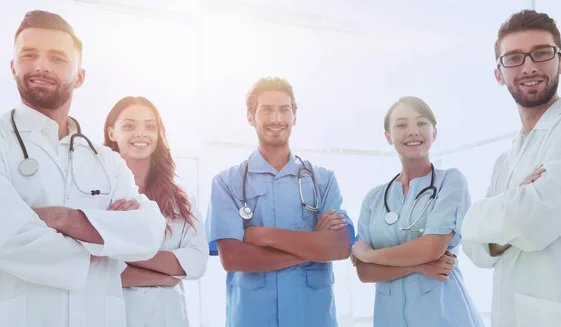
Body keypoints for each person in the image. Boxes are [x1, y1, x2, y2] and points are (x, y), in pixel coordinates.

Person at [0, 10, 166, 327]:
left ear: (79, 76)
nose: (41, 66)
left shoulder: (106, 159)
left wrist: (65, 218)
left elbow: (148, 231)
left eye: (57, 58)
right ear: (13, 67)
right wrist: (107, 242)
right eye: (29, 55)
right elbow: (8, 238)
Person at [461, 9, 561, 327]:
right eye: (513, 58)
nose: (529, 67)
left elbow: (531, 220)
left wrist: (481, 216)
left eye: (541, 54)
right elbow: (476, 251)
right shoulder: (505, 160)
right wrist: (501, 224)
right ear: (499, 74)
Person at [205, 76, 355, 327]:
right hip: (253, 318)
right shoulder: (227, 183)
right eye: (266, 110)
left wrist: (264, 235)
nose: (276, 118)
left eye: (284, 109)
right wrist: (313, 246)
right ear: (250, 116)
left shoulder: (322, 180)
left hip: (313, 318)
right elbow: (233, 258)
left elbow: (339, 247)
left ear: (295, 116)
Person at [351, 96, 483, 327]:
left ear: (434, 132)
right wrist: (418, 266)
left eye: (421, 123)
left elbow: (432, 247)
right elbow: (364, 272)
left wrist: (369, 254)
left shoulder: (450, 182)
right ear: (388, 136)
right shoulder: (374, 198)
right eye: (401, 125)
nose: (413, 131)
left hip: (444, 317)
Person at [103, 96, 209, 327]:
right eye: (129, 126)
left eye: (150, 126)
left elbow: (197, 261)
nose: (141, 133)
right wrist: (164, 274)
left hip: (168, 317)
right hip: (113, 315)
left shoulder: (180, 199)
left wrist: (125, 257)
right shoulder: (97, 194)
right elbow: (90, 267)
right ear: (112, 133)